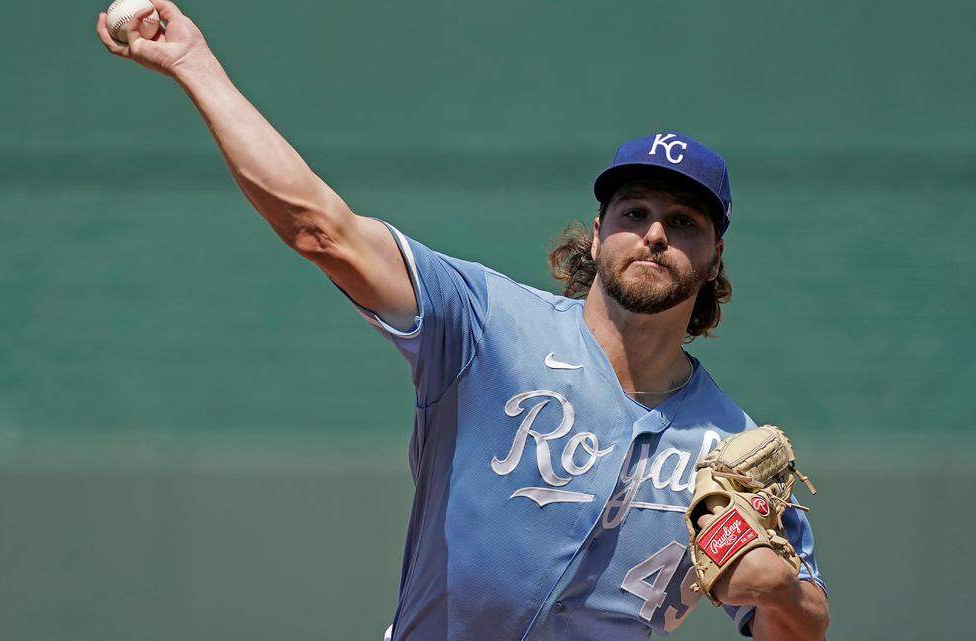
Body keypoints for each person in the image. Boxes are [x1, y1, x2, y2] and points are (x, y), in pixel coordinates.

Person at [96, 2, 830, 639]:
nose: (655, 233)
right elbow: (323, 229)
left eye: (684, 220)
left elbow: (804, 626)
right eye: (634, 212)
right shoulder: (485, 324)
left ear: (715, 254)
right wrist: (195, 62)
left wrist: (777, 589)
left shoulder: (730, 444)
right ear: (598, 230)